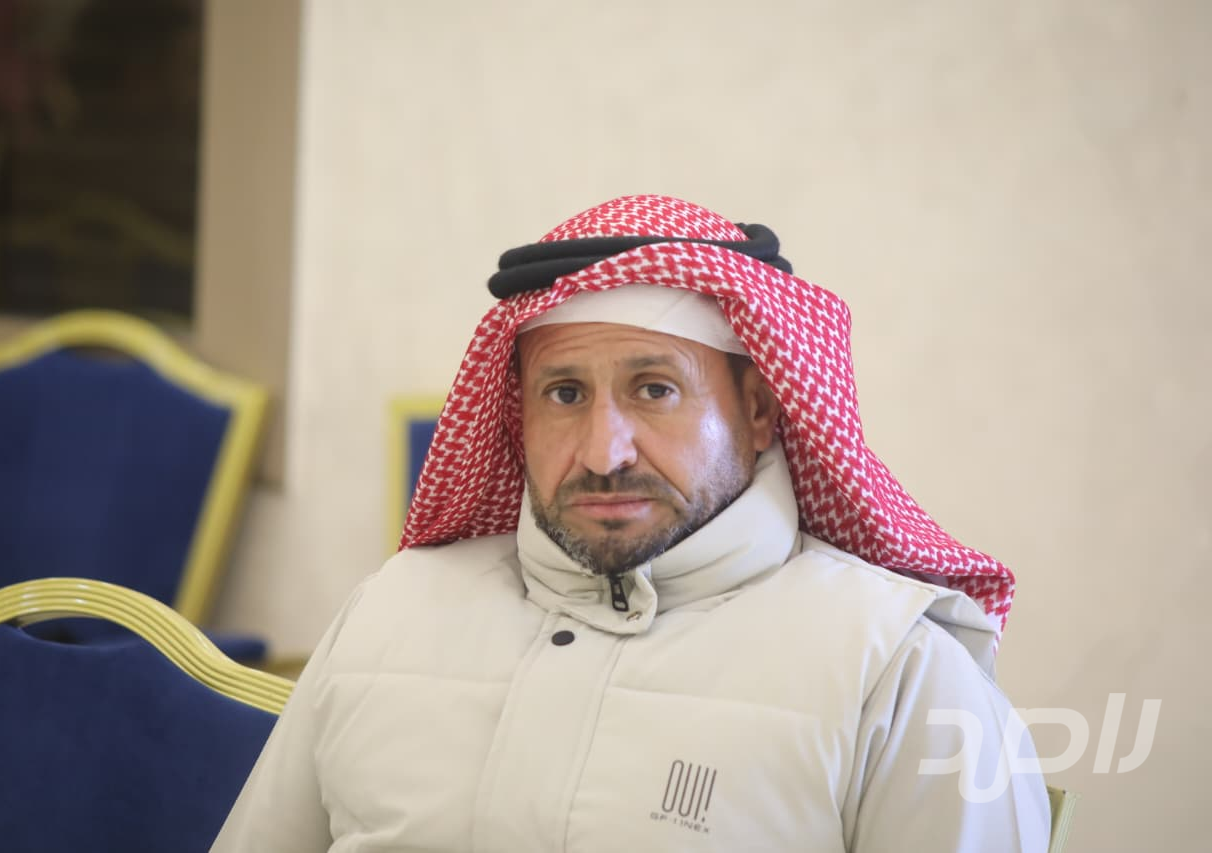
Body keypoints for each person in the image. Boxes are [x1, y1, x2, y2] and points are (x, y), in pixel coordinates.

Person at [213, 195, 1052, 851]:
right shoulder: (389, 611)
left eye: (655, 389)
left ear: (760, 409)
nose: (603, 451)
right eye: (564, 393)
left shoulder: (898, 671)